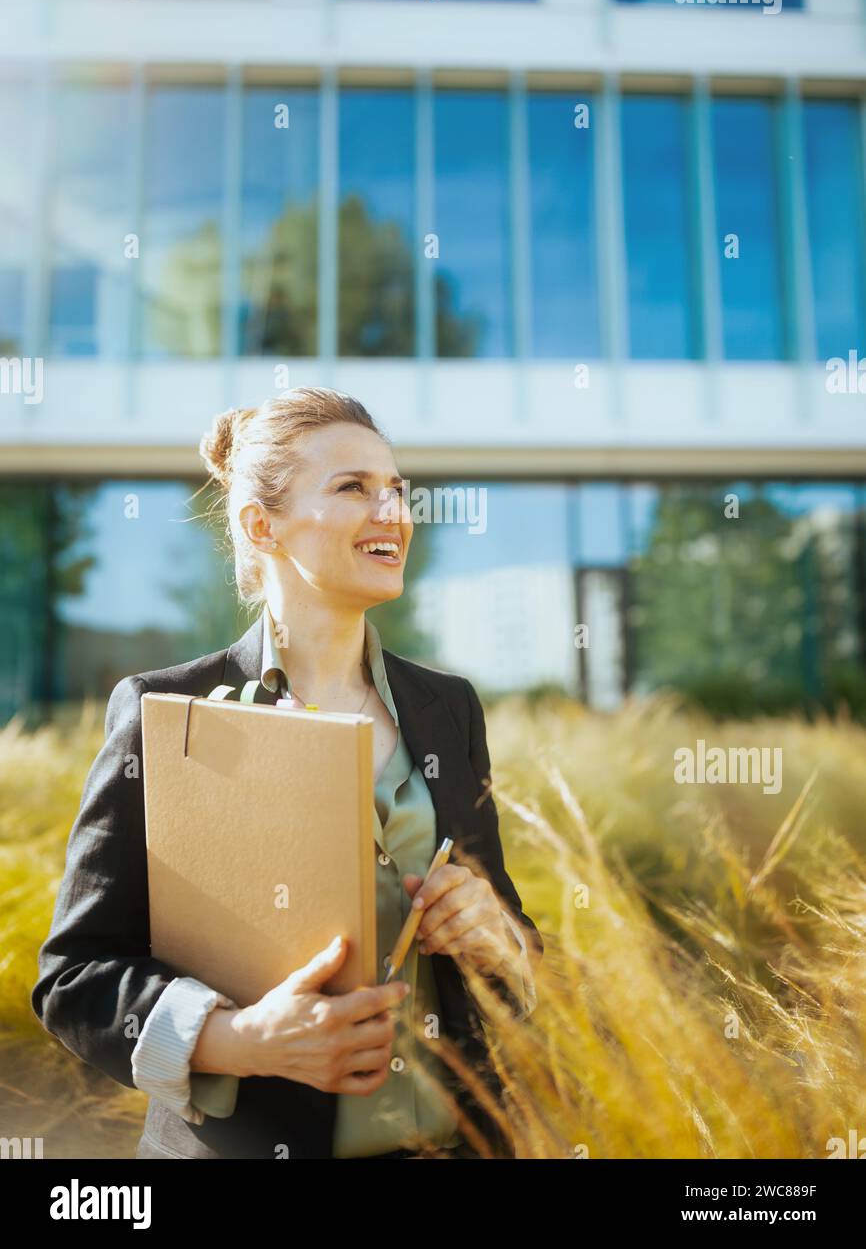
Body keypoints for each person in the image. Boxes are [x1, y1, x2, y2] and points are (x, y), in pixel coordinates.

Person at [32, 387, 543, 1159]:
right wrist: (239, 1040)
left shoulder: (450, 709)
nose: (394, 513)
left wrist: (495, 934)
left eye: (397, 491)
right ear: (260, 524)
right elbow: (75, 979)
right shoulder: (165, 711)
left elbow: (516, 945)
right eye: (353, 489)